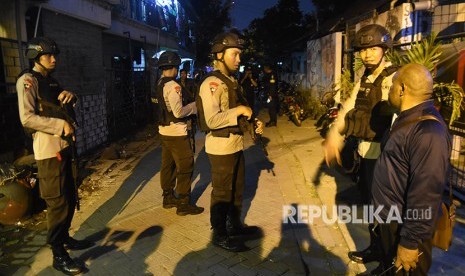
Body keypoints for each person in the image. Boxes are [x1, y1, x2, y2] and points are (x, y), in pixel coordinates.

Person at [323, 24, 398, 272]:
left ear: (384, 49)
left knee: (386, 214)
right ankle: (376, 248)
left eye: (373, 48)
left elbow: (398, 118)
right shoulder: (365, 78)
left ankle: (389, 263)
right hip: (366, 153)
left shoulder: (392, 77)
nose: (367, 54)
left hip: (385, 158)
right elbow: (349, 106)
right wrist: (335, 135)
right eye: (363, 50)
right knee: (370, 206)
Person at [16, 37, 94, 275]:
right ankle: (58, 255)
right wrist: (60, 126)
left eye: (54, 55)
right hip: (49, 151)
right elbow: (27, 118)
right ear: (35, 57)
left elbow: (60, 103)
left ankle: (65, 238)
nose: (54, 59)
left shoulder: (50, 81)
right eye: (49, 55)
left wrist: (71, 96)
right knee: (57, 202)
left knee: (69, 196)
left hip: (64, 148)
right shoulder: (27, 81)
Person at [371, 63, 451, 275]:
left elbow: (426, 191)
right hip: (392, 220)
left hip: (405, 228)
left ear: (402, 89)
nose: (389, 92)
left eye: (391, 87)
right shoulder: (409, 119)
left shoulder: (428, 131)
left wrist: (409, 241)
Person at [197, 31, 264, 252]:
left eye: (239, 54)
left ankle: (234, 226)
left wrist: (254, 121)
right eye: (234, 54)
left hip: (236, 144)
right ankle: (219, 234)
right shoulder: (212, 83)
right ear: (219, 55)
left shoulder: (232, 81)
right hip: (220, 147)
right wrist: (239, 110)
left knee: (237, 190)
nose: (239, 59)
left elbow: (241, 109)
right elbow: (212, 119)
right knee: (222, 193)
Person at [156, 51, 204, 216]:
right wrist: (194, 107)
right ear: (175, 67)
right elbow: (178, 112)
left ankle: (168, 197)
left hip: (164, 132)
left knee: (167, 165)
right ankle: (184, 203)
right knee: (185, 165)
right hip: (177, 132)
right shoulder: (173, 86)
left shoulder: (159, 83)